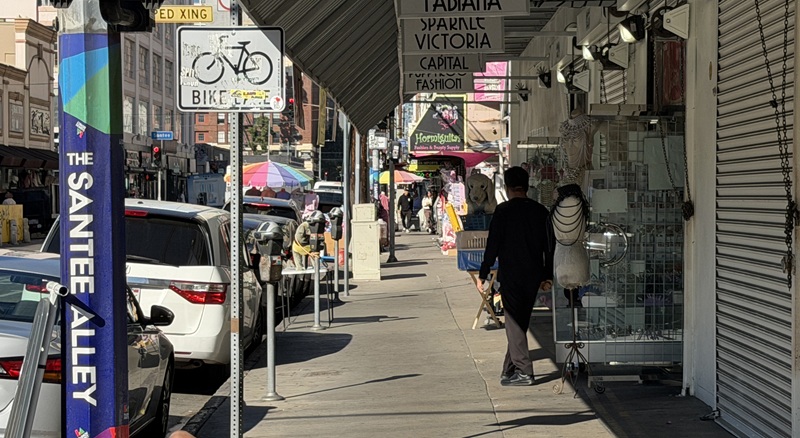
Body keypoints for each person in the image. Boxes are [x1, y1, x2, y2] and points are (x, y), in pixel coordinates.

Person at [476, 166, 555, 387]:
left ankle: (524, 371)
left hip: (511, 274)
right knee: (519, 322)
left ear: (508, 188)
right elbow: (550, 247)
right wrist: (547, 275)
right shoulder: (541, 212)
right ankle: (509, 369)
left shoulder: (503, 211)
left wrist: (483, 272)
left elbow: (493, 245)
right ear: (527, 186)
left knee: (514, 323)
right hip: (533, 274)